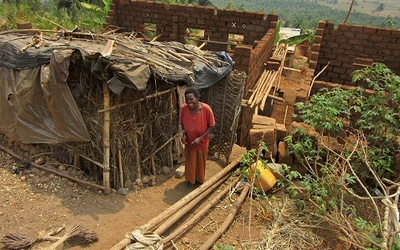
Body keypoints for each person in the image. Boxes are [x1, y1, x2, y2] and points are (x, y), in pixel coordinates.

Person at [180, 87, 215, 185]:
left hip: (201, 141)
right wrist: (184, 134)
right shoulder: (184, 109)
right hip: (189, 141)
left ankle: (199, 180)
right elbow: (182, 124)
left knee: (200, 162)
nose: (189, 102)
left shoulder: (206, 109)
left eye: (191, 99)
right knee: (190, 161)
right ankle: (190, 179)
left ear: (198, 98)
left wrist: (200, 138)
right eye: (187, 99)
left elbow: (211, 126)